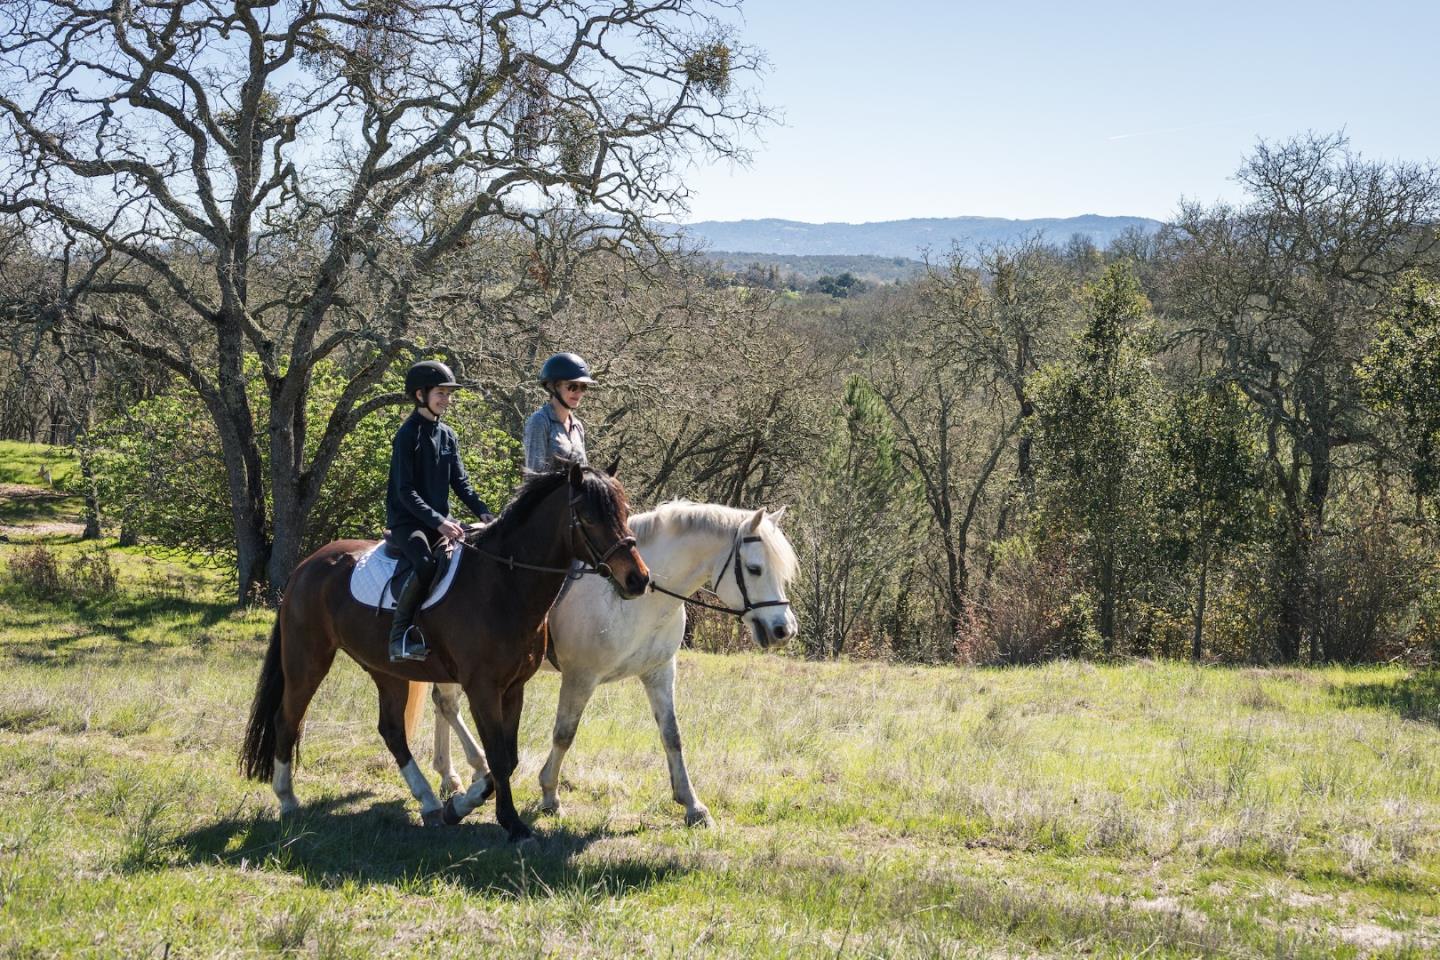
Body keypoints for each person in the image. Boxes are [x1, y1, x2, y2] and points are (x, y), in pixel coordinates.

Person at [385, 360, 495, 662]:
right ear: (421, 395)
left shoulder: (447, 434)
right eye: (441, 394)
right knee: (425, 564)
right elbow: (404, 491)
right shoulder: (407, 435)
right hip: (408, 522)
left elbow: (461, 483)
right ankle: (399, 637)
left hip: (438, 521)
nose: (446, 400)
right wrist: (440, 521)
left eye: (449, 394)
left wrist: (484, 512)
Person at [523, 352, 595, 474]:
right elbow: (534, 477)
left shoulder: (578, 426)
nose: (579, 393)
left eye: (583, 387)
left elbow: (584, 473)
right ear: (553, 387)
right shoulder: (539, 421)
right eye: (572, 386)